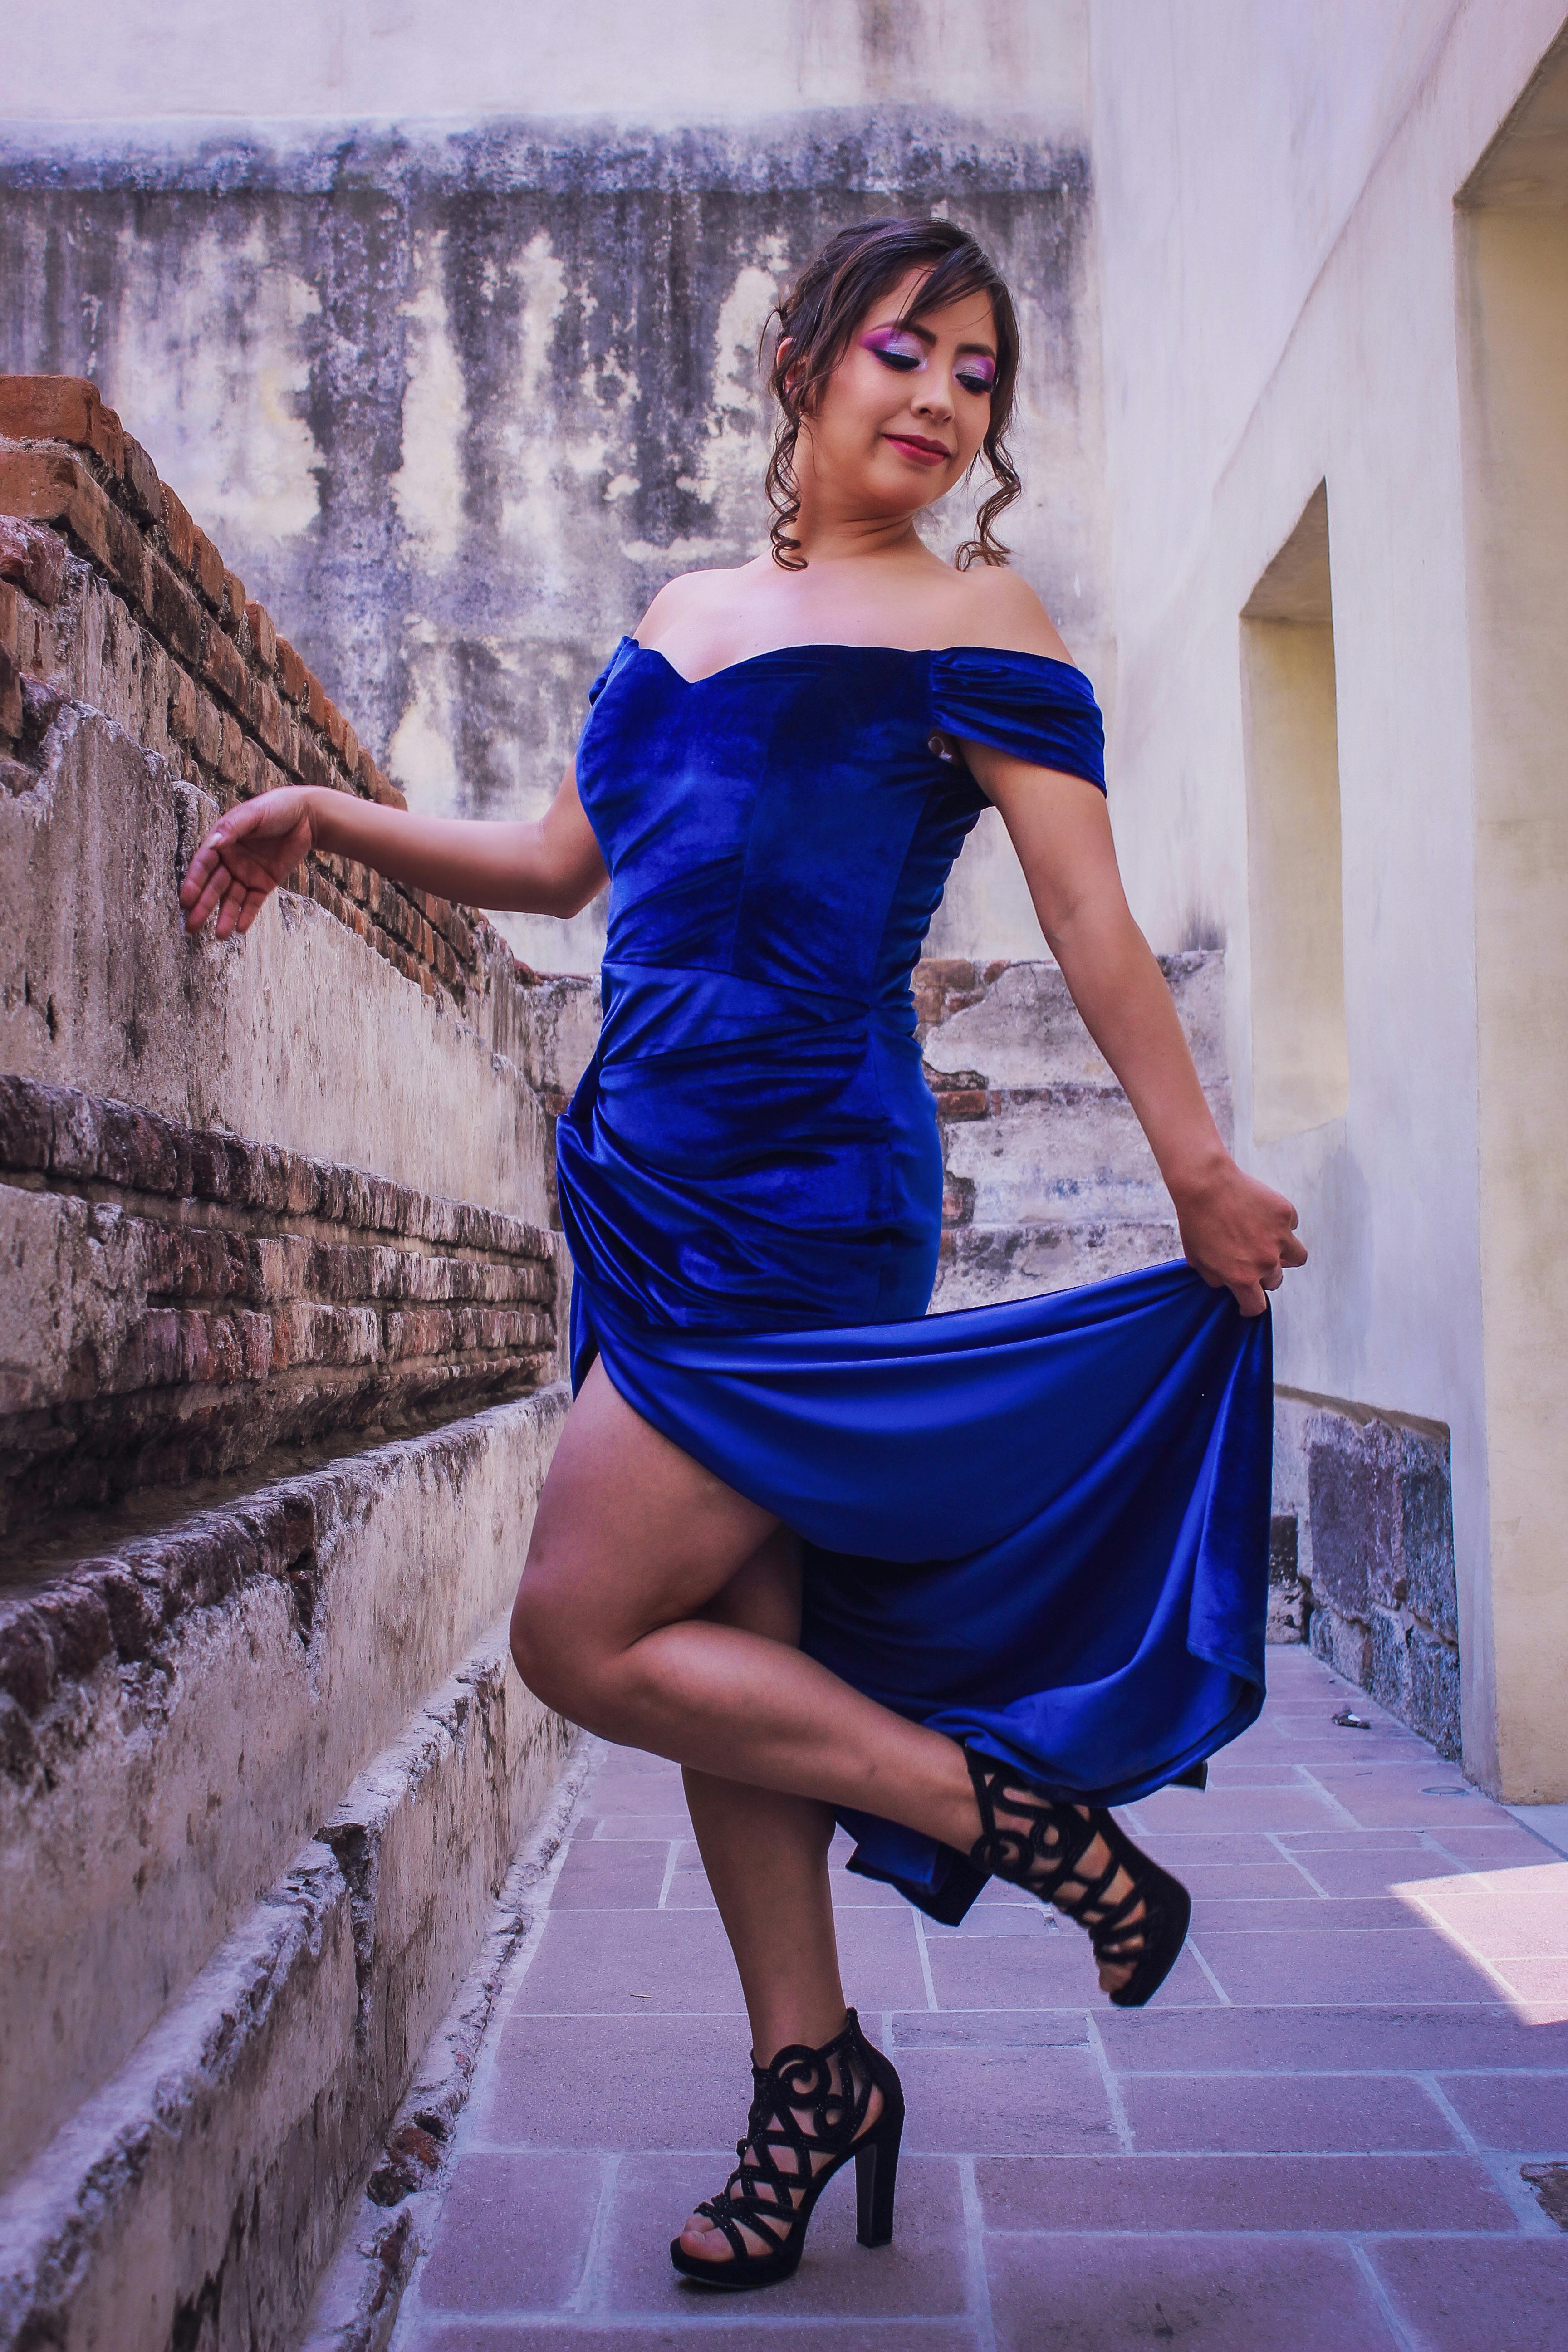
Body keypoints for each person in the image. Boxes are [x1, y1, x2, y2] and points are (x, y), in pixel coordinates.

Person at [180, 216, 1306, 2293]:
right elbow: (558, 865)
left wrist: (1200, 1173)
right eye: (909, 347)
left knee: (580, 1630)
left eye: (980, 375)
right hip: (640, 1180)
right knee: (737, 1662)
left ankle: (1014, 1818)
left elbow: (1084, 919)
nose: (945, 399)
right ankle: (815, 2084)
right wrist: (327, 816)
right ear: (804, 357)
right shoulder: (680, 611)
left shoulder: (983, 619)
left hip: (806, 1188)